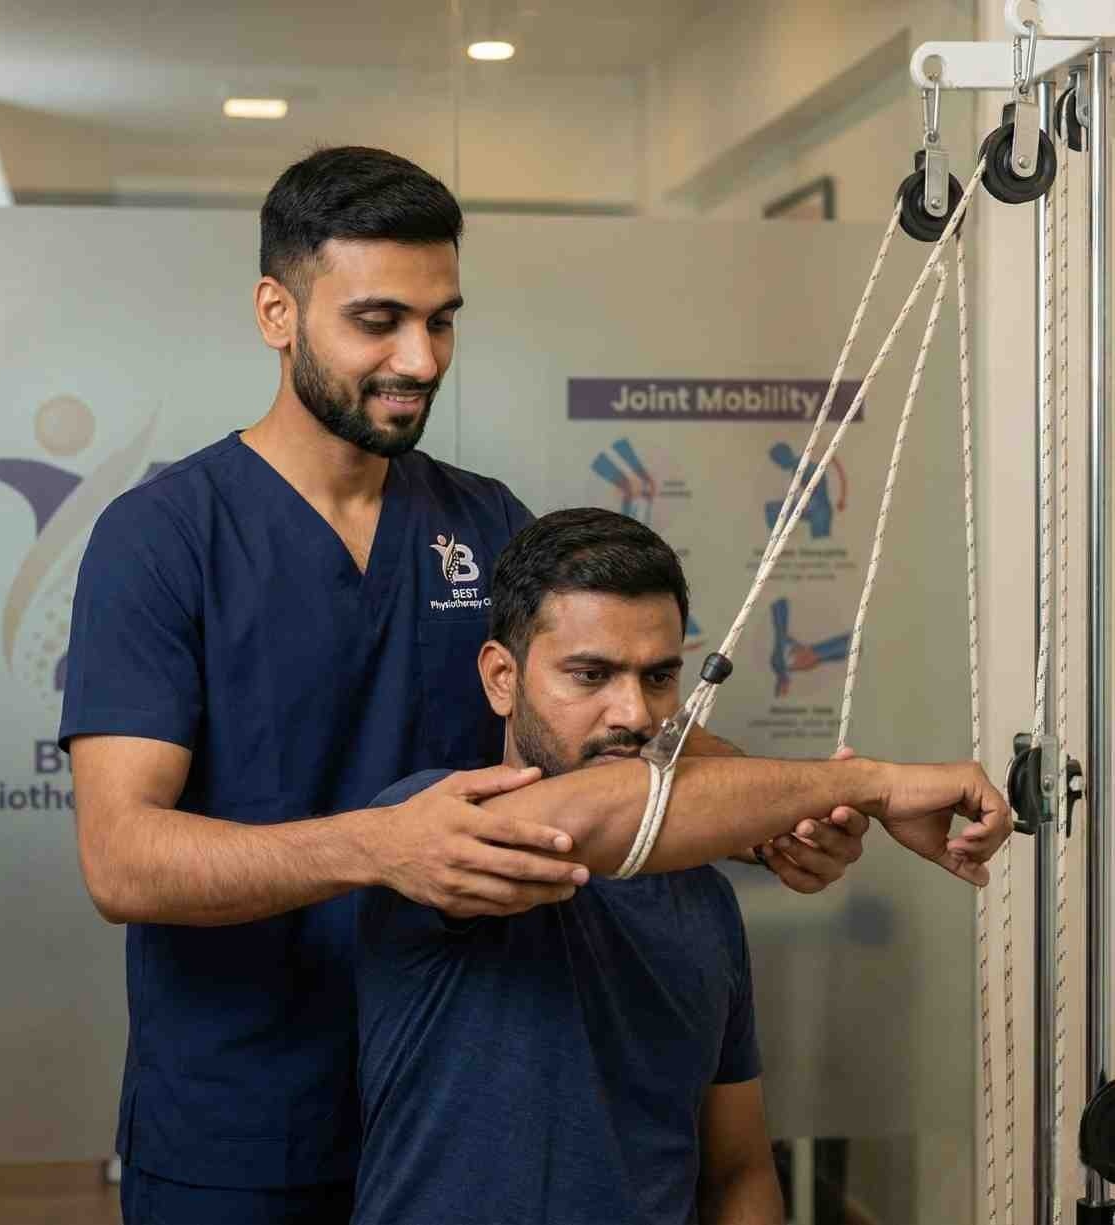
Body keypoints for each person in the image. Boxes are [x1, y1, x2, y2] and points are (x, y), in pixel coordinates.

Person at [58, 147, 866, 1225]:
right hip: (244, 1120)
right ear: (276, 311)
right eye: (379, 321)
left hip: (461, 1109)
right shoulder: (163, 539)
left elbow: (607, 725)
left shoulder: (485, 523)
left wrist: (786, 810)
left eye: (442, 321)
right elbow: (123, 857)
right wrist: (377, 847)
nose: (420, 357)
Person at [349, 508, 1010, 1225]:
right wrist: (870, 784)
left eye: (660, 676)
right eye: (591, 674)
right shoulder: (428, 827)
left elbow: (738, 1171)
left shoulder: (704, 903)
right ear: (502, 679)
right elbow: (598, 814)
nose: (633, 712)